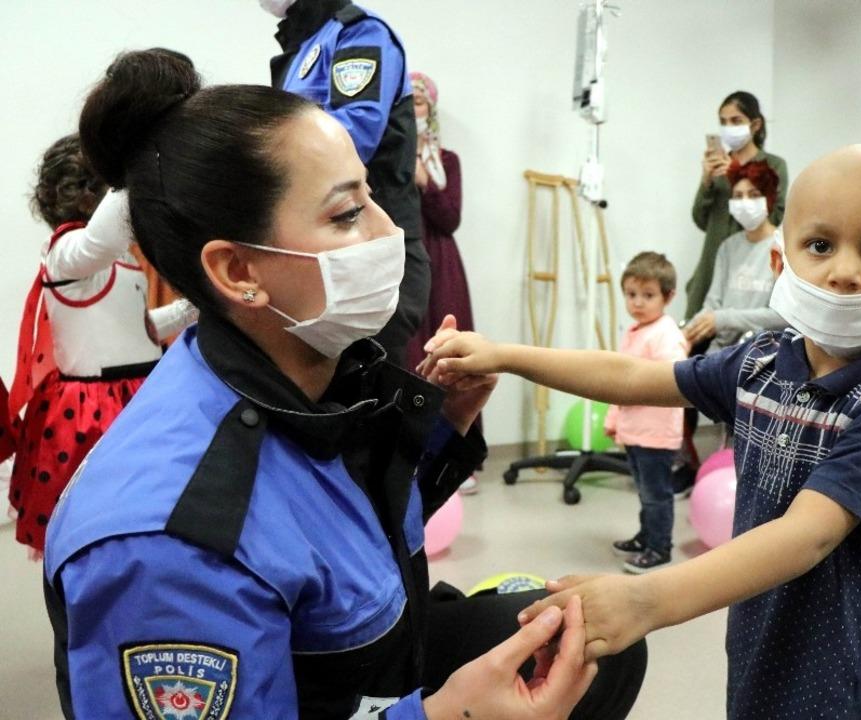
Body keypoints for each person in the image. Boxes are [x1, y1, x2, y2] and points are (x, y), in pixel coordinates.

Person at [43, 49, 646, 720]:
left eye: (375, 199)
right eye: (345, 215)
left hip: (373, 663)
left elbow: (329, 525)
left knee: (600, 642)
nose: (390, 234)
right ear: (238, 270)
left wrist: (446, 431)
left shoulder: (306, 371)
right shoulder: (173, 549)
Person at [426, 145, 861, 720]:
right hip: (760, 642)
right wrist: (504, 354)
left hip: (848, 677)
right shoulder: (760, 361)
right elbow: (632, 375)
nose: (845, 272)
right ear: (782, 263)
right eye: (820, 245)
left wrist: (646, 600)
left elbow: (809, 535)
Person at [4, 134, 197, 558]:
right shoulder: (68, 252)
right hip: (97, 409)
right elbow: (101, 238)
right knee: (104, 526)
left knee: (151, 518)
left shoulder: (114, 259)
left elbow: (138, 331)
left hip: (136, 392)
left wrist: (188, 311)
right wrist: (134, 164)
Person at [265, 0, 429, 365]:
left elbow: (355, 137)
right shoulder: (305, 45)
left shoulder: (357, 33)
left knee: (369, 393)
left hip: (371, 248)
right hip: (327, 252)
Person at [403, 70, 481, 494]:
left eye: (419, 103)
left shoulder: (446, 160)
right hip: (403, 262)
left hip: (441, 262)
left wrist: (425, 182)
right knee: (411, 354)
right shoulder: (385, 157)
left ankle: (459, 452)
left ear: (430, 109)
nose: (413, 110)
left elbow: (450, 217)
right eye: (406, 102)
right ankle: (414, 452)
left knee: (451, 352)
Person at [605, 252, 688, 573]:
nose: (637, 303)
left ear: (668, 297)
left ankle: (660, 547)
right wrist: (615, 420)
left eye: (648, 295)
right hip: (635, 431)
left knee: (656, 494)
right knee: (644, 491)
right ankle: (646, 535)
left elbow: (670, 379)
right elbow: (618, 381)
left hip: (656, 433)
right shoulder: (636, 330)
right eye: (631, 294)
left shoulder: (666, 335)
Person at [687, 91, 788, 326]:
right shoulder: (717, 167)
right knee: (701, 327)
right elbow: (700, 219)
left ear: (755, 124)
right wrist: (706, 181)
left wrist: (736, 176)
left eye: (735, 121)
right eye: (723, 122)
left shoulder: (772, 165)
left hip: (755, 269)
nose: (728, 127)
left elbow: (774, 215)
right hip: (716, 258)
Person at [682, 160, 786, 353]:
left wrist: (723, 319)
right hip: (719, 353)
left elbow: (783, 317)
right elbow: (712, 305)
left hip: (763, 352)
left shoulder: (784, 247)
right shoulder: (728, 248)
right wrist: (683, 335)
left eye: (753, 195)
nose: (744, 202)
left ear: (769, 199)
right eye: (737, 196)